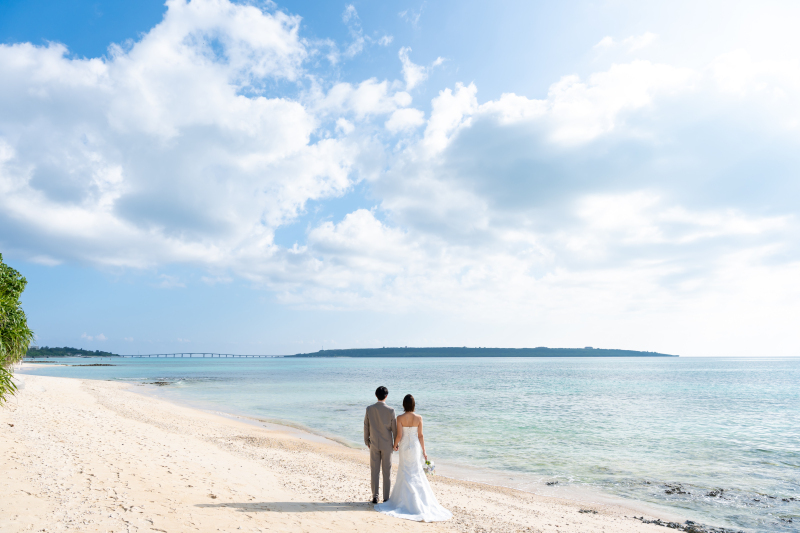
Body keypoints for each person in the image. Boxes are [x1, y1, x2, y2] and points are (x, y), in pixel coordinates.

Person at [375, 394, 452, 522]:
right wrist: (424, 451)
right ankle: (420, 501)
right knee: (416, 471)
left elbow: (399, 435)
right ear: (414, 404)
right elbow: (420, 435)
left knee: (405, 470)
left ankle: (405, 500)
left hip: (405, 447)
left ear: (404, 405)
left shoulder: (399, 417)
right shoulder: (419, 418)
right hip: (415, 447)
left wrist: (395, 445)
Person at [364, 385, 397, 504]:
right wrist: (395, 444)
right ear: (386, 396)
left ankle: (375, 496)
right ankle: (386, 497)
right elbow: (394, 429)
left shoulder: (369, 409)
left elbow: (366, 426)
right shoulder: (391, 410)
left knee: (374, 470)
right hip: (387, 444)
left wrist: (366, 441)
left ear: (376, 395)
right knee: (386, 471)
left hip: (373, 443)